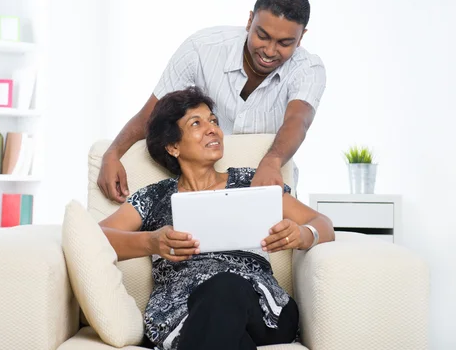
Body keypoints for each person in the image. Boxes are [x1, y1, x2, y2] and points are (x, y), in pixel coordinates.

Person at [99, 87, 334, 350]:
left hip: (264, 309)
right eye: (196, 123)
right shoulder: (155, 197)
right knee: (229, 336)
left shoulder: (252, 182)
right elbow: (94, 238)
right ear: (173, 146)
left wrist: (304, 234)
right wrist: (150, 243)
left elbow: (322, 223)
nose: (213, 129)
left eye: (213, 121)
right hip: (182, 315)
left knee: (224, 288)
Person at [98, 0, 326, 203]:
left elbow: (298, 120)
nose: (269, 50)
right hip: (197, 188)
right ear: (249, 21)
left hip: (265, 186)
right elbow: (153, 113)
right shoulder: (202, 49)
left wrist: (273, 160)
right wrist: (113, 153)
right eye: (262, 36)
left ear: (301, 37)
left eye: (284, 43)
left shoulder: (308, 69)